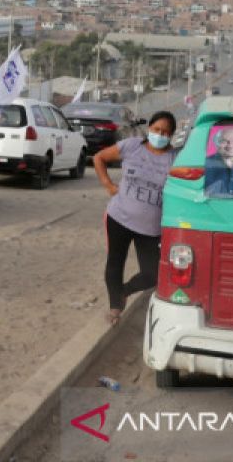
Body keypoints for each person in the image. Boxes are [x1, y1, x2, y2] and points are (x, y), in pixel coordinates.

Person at [92, 110, 178, 325]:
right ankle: (114, 308)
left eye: (166, 132)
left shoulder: (175, 158)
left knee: (152, 273)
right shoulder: (132, 146)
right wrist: (108, 185)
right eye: (157, 129)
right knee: (115, 262)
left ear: (171, 135)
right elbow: (99, 158)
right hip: (118, 217)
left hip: (151, 228)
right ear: (149, 128)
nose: (160, 135)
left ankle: (124, 291)